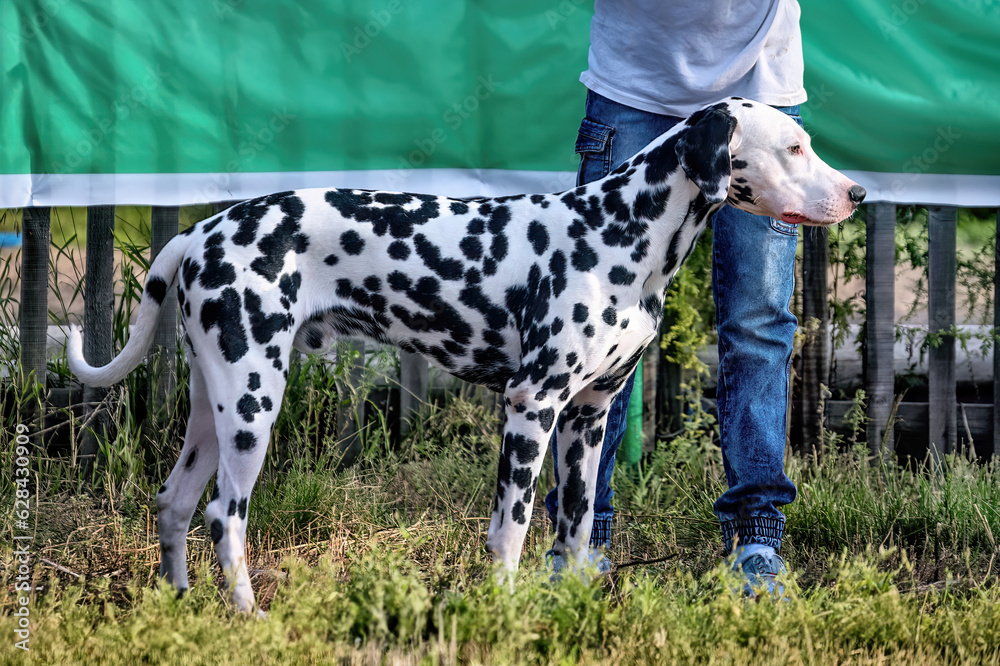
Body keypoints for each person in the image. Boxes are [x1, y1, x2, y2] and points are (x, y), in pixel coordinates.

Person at [545, 0, 806, 595]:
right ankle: (581, 541)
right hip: (634, 88)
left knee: (757, 321)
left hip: (763, 89)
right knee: (595, 327)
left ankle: (756, 539)